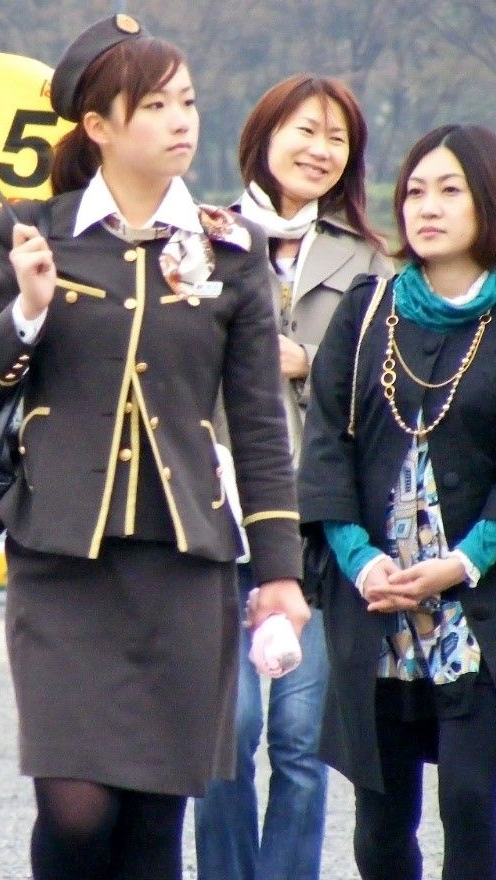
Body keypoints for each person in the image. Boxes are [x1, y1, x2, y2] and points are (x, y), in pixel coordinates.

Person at [0, 15, 306, 880]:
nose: (182, 120)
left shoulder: (233, 246)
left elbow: (258, 421)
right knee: (75, 815)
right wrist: (28, 310)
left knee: (152, 830)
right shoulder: (33, 231)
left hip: (185, 567)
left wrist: (280, 572)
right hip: (62, 560)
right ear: (99, 128)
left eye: (186, 101)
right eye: (154, 105)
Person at [297, 124, 496, 880]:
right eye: (416, 189)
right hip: (377, 601)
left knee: (466, 797)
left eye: (450, 189)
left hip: (477, 603)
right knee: (380, 821)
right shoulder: (367, 310)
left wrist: (457, 565)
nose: (428, 206)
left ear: (491, 202)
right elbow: (325, 446)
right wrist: (360, 563)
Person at [194, 74, 392, 880]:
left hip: (314, 529)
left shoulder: (365, 259)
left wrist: (308, 365)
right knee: (229, 732)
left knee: (303, 742)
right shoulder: (200, 237)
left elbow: (388, 389)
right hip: (216, 518)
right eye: (305, 130)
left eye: (336, 139)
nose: (318, 150)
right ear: (264, 134)